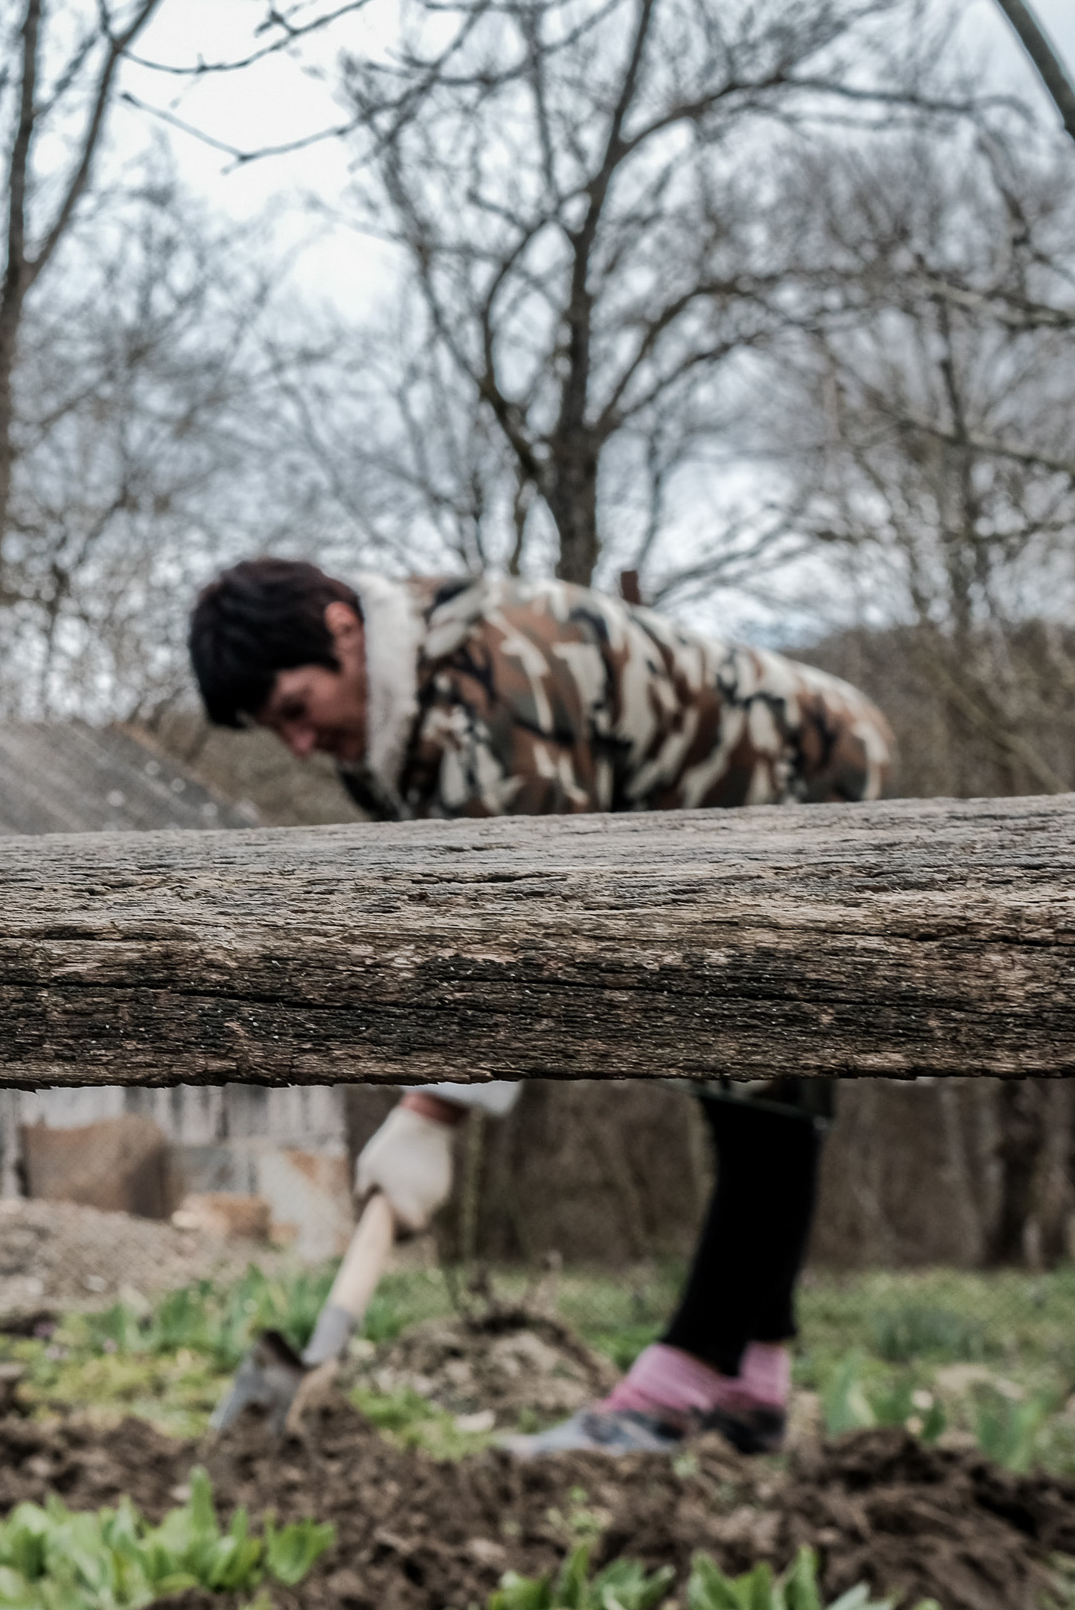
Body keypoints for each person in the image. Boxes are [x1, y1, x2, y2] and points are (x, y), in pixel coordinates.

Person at [188, 557, 892, 1455]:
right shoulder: (397, 715)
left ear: (344, 629)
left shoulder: (495, 680)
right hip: (684, 819)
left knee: (760, 1081)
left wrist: (431, 1110)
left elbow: (525, 923)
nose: (296, 744)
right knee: (749, 1091)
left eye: (295, 707)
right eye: (270, 729)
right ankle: (751, 1384)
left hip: (802, 773)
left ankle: (685, 1385)